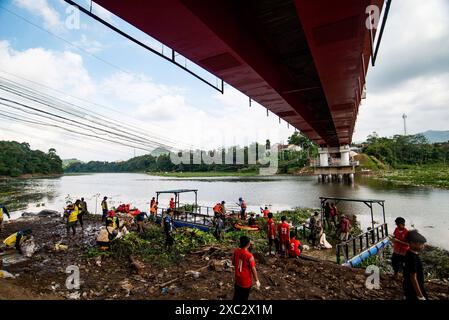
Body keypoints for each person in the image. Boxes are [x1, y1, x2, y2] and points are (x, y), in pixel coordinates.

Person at [232, 236, 260, 301]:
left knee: (236, 296)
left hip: (237, 279)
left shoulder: (236, 251)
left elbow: (233, 263)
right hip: (246, 281)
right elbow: (253, 269)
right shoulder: (249, 256)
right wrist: (257, 280)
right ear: (248, 244)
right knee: (244, 298)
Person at [403, 230, 428, 300]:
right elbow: (413, 277)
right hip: (413, 289)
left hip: (409, 286)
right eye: (421, 244)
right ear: (411, 243)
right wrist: (420, 296)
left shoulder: (409, 253)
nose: (423, 246)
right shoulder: (412, 258)